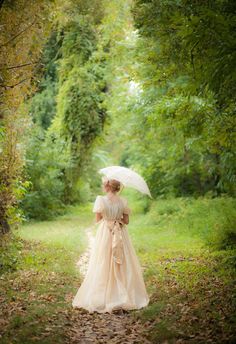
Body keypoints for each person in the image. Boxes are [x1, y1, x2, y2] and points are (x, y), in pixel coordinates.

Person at [72, 177, 149, 313]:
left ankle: (103, 294)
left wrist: (107, 216)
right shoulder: (123, 201)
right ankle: (122, 293)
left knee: (103, 260)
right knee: (122, 261)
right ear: (117, 188)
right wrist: (117, 217)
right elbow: (126, 221)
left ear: (107, 187)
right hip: (119, 232)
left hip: (106, 233)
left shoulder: (101, 200)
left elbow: (97, 219)